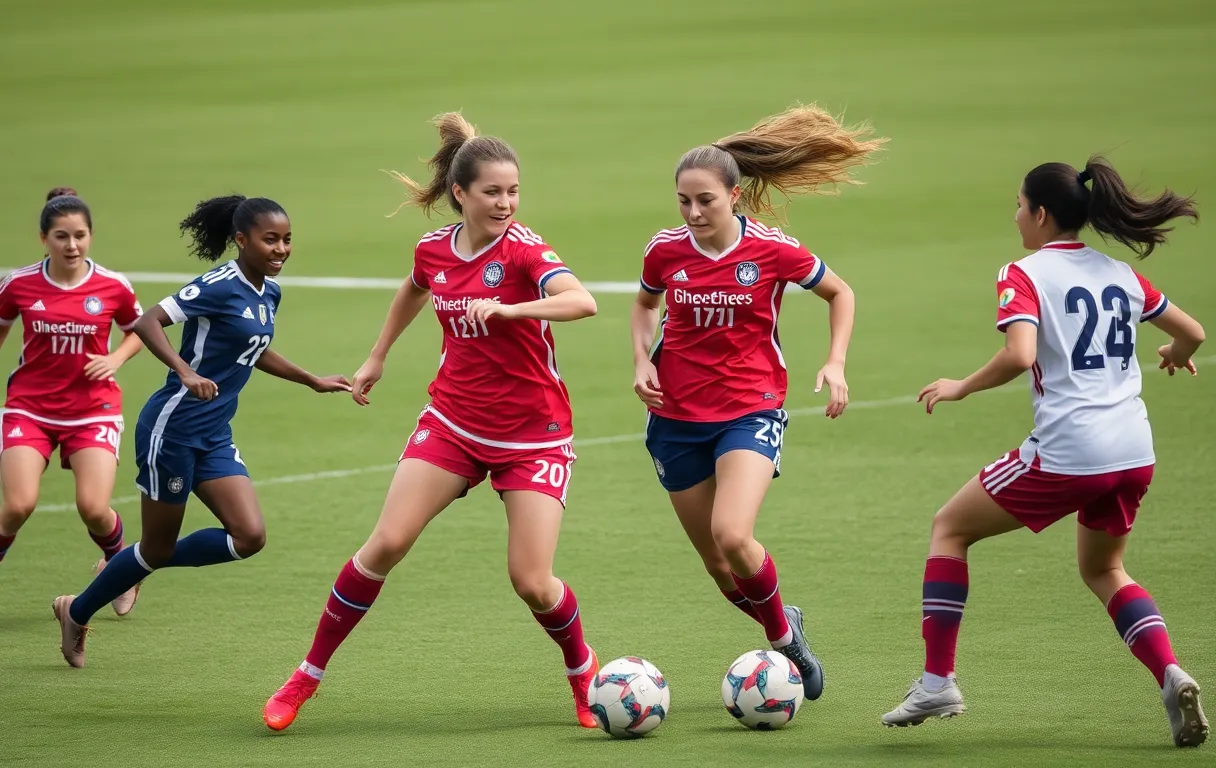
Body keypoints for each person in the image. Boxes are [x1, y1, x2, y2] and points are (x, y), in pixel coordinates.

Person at [263, 113, 601, 732]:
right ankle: (306, 675)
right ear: (460, 193)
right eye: (493, 192)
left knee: (531, 581)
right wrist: (378, 355)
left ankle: (582, 669)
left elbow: (582, 301)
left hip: (534, 437)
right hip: (452, 423)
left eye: (514, 191)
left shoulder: (524, 249)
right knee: (385, 543)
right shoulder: (434, 250)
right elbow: (415, 288)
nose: (506, 203)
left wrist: (511, 310)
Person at [881, 157, 1208, 748]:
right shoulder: (1121, 273)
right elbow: (1193, 333)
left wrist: (961, 385)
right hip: (1134, 451)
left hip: (1070, 451)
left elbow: (1020, 354)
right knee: (1105, 569)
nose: (1015, 217)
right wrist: (1175, 354)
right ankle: (1171, 674)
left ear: (1040, 214)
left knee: (949, 528)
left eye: (1018, 206)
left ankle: (937, 681)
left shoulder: (1024, 273)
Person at [631, 105, 881, 701]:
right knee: (720, 567)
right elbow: (644, 305)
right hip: (674, 417)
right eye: (683, 202)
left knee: (733, 535)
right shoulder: (664, 251)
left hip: (750, 408)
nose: (694, 214)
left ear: (734, 196)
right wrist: (641, 361)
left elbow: (840, 292)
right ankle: (783, 618)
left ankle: (783, 641)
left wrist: (835, 361)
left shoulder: (772, 249)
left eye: (706, 201)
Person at [51, 195, 351, 666]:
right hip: (171, 429)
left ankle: (129, 565)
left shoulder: (269, 292)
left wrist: (310, 379)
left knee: (248, 537)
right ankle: (79, 610)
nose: (281, 249)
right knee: (156, 547)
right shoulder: (219, 285)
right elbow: (148, 321)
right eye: (270, 240)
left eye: (287, 239)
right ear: (241, 240)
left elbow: (253, 348)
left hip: (214, 434)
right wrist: (185, 371)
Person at [0, 188, 143, 614]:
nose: (72, 245)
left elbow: (138, 330)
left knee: (93, 508)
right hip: (29, 408)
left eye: (80, 235)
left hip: (93, 410)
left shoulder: (113, 286)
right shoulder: (19, 284)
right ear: (44, 238)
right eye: (61, 236)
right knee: (18, 505)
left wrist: (116, 358)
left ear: (90, 236)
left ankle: (120, 567)